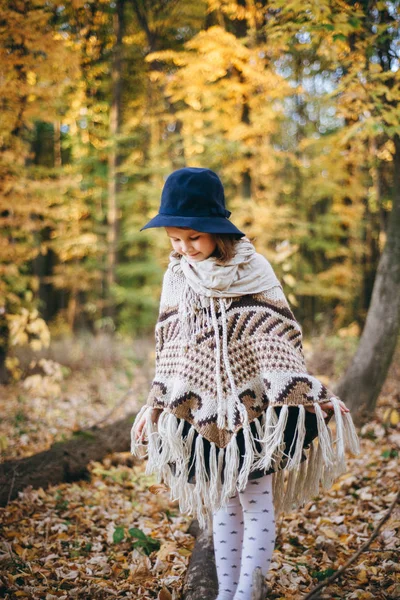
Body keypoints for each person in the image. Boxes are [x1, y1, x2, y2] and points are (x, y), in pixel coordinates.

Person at [130, 167, 360, 600]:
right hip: (199, 409)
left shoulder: (255, 270)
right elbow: (172, 350)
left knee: (256, 502)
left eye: (193, 238)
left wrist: (312, 394)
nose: (184, 248)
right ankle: (224, 593)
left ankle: (248, 593)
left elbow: (278, 341)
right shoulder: (177, 277)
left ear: (217, 231)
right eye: (175, 240)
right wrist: (156, 405)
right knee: (221, 503)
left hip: (256, 408)